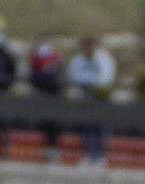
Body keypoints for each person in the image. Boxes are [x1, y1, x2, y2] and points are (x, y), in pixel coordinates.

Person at [67, 37, 117, 165]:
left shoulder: (105, 59)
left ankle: (100, 155)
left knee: (100, 126)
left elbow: (106, 79)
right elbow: (75, 77)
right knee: (86, 126)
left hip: (101, 96)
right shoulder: (77, 60)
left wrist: (92, 84)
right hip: (85, 95)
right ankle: (88, 154)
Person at [28, 38, 66, 163]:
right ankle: (49, 150)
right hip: (42, 100)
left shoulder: (56, 64)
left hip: (53, 100)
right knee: (47, 125)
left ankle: (52, 151)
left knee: (53, 126)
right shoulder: (37, 66)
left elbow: (58, 82)